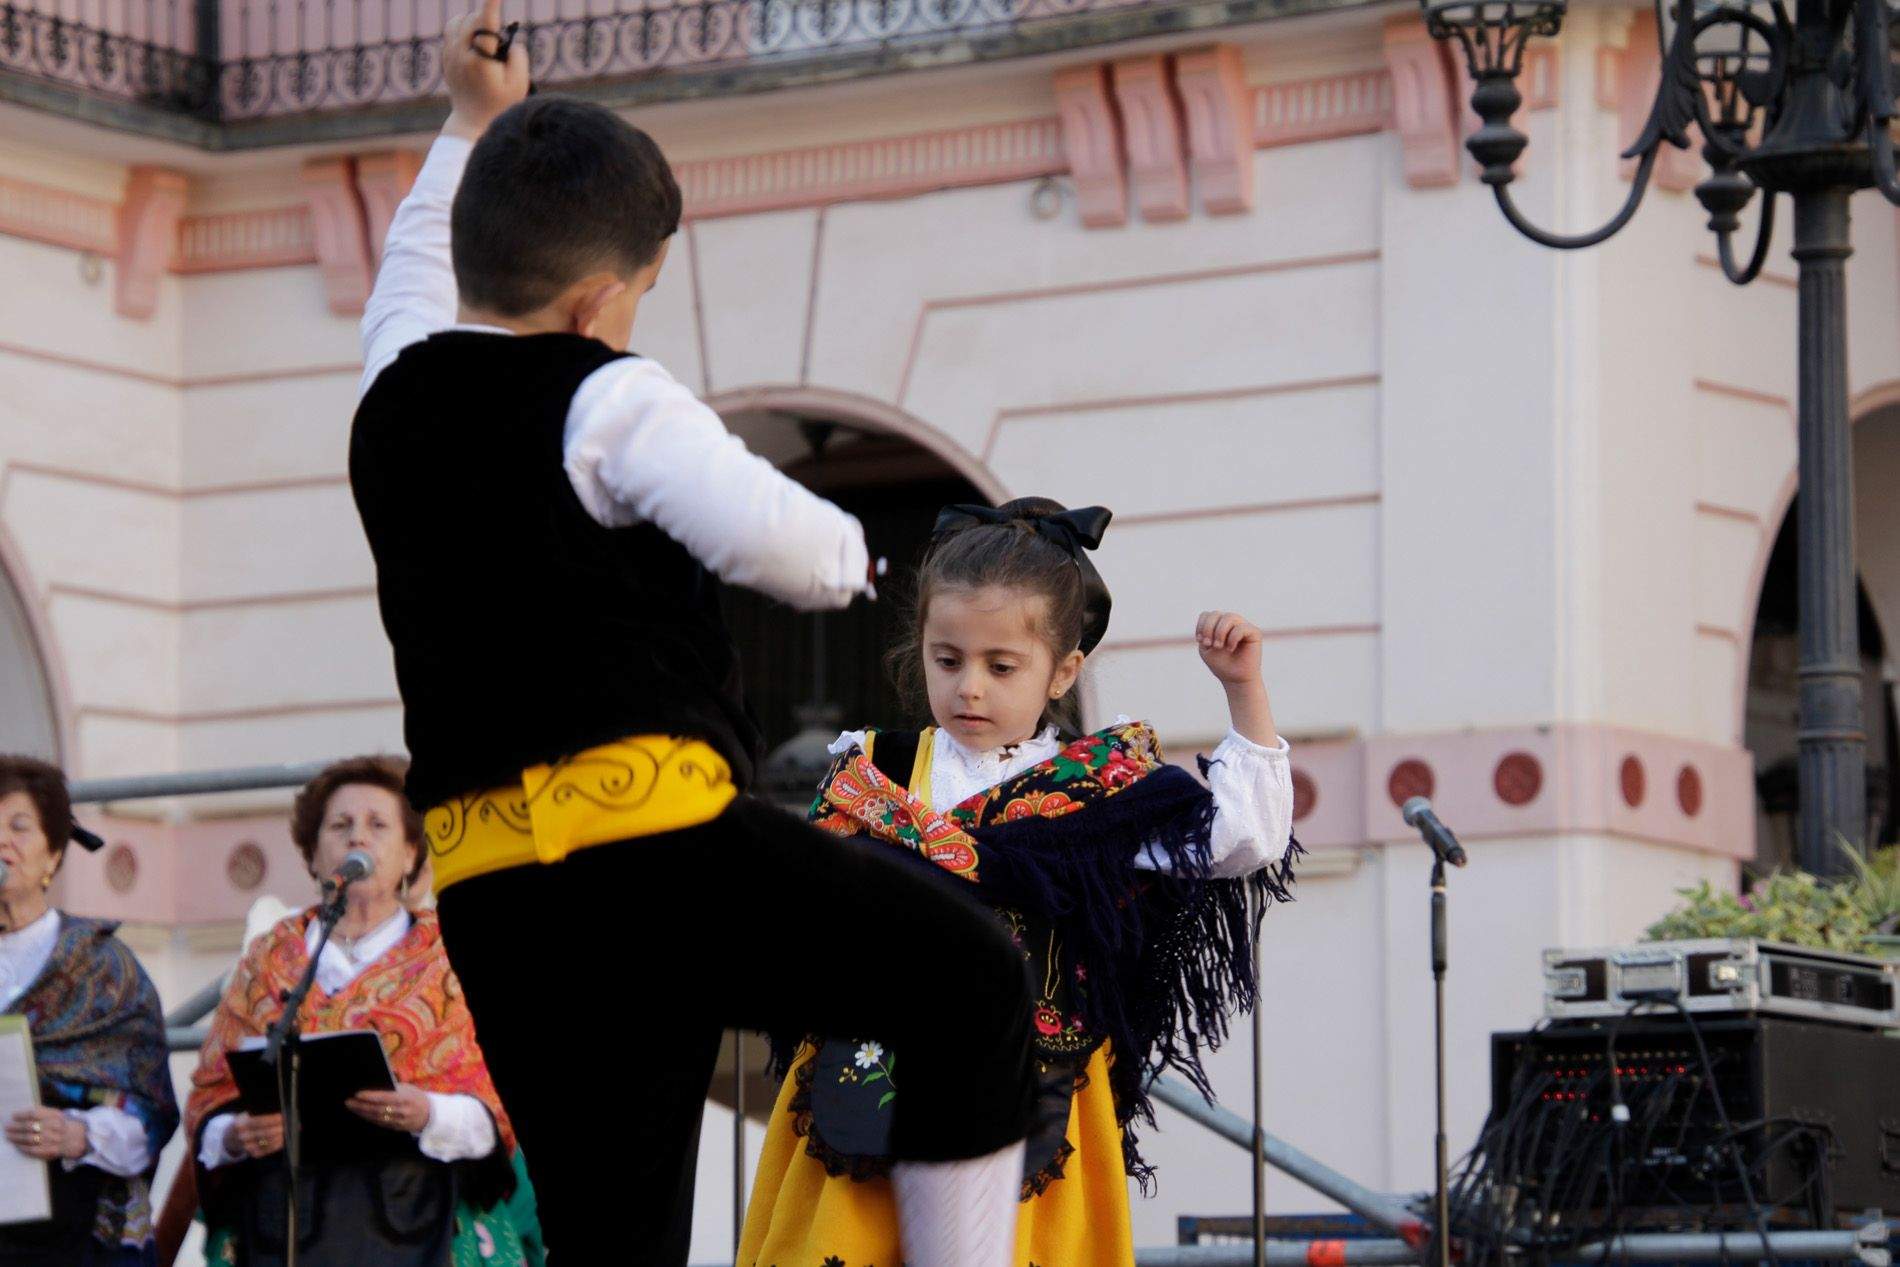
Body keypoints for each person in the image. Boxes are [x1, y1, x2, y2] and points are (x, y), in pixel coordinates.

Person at [345, 7, 1039, 1262]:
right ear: (603, 296)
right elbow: (802, 551)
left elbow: (407, 262)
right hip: (656, 853)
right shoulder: (610, 394)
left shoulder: (394, 383)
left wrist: (469, 117)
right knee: (970, 982)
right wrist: (855, 555)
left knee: (614, 1231)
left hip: (498, 896)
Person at [739, 498, 1302, 1267]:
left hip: (1039, 1101)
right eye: (948, 659)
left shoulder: (1100, 794)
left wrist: (1244, 691)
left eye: (1001, 666)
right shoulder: (873, 770)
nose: (971, 687)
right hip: (865, 1088)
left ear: (1063, 670)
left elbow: (1244, 836)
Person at [184, 756, 530, 1266]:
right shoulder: (267, 959)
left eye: (377, 825)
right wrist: (235, 1135)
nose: (356, 839)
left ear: (411, 853)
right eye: (339, 826)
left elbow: (496, 1103)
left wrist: (427, 1112)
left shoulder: (450, 957)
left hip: (416, 1217)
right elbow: (212, 1095)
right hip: (284, 1222)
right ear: (314, 854)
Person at [0, 754, 178, 1267]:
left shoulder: (103, 968)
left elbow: (149, 1110)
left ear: (53, 854)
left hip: (76, 1234)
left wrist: (77, 1134)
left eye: (19, 827)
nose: (3, 842)